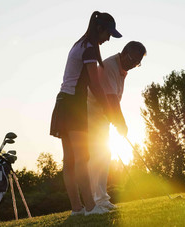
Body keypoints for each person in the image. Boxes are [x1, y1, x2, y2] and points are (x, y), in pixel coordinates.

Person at [50, 11, 122, 216]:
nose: (108, 38)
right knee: (83, 157)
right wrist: (109, 110)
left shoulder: (79, 44)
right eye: (108, 33)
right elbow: (95, 84)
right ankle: (90, 207)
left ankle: (77, 209)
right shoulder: (89, 49)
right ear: (99, 29)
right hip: (73, 105)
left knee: (70, 160)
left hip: (63, 102)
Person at [87, 41, 147, 209]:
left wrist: (116, 120)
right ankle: (96, 201)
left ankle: (102, 199)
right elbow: (112, 99)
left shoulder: (122, 69)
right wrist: (121, 123)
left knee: (104, 156)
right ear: (124, 52)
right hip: (91, 114)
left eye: (137, 62)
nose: (134, 64)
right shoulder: (110, 66)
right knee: (96, 157)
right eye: (132, 59)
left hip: (102, 116)